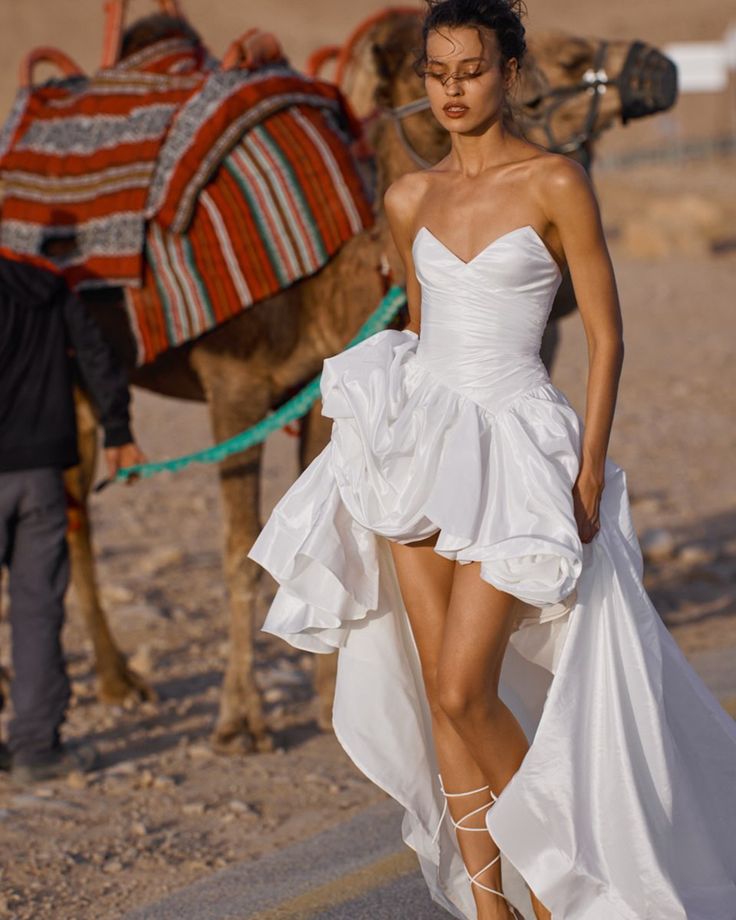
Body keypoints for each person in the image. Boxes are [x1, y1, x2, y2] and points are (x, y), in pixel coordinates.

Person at [248, 1, 736, 918]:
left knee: (471, 689)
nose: (452, 90)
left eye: (471, 70)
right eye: (437, 72)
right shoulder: (408, 197)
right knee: (440, 695)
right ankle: (490, 908)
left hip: (518, 440)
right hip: (422, 445)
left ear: (511, 73)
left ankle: (562, 885)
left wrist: (590, 468)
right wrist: (405, 430)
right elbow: (425, 330)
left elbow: (605, 331)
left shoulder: (556, 182)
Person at [0, 247, 145, 784]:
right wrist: (119, 432)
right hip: (42, 475)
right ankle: (35, 749)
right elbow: (96, 356)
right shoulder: (48, 283)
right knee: (37, 610)